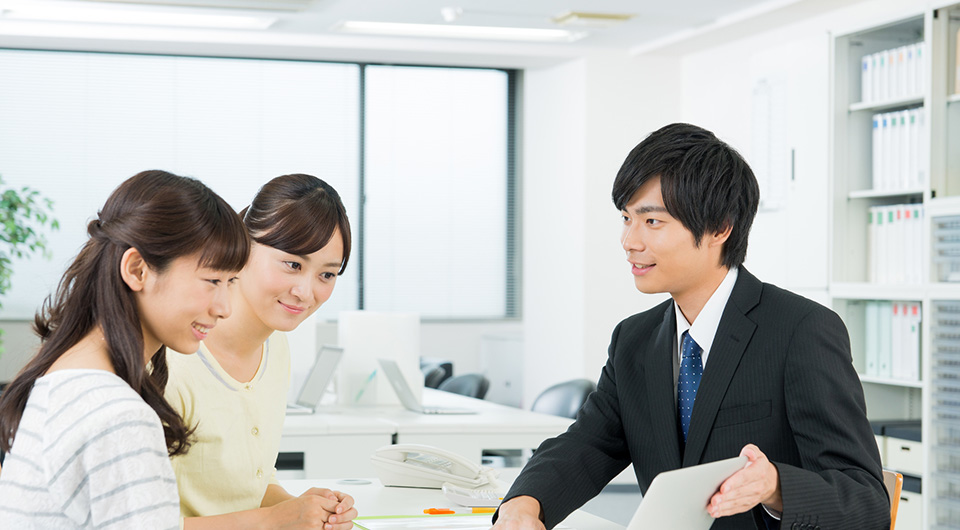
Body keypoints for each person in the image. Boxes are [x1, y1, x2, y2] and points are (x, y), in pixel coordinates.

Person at [492, 123, 889, 530]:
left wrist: (775, 487)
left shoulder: (800, 330)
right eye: (626, 218)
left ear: (720, 228)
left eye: (652, 221)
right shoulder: (634, 339)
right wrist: (524, 503)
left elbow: (866, 500)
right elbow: (587, 444)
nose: (629, 241)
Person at [0, 170, 250, 528]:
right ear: (137, 270)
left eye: (231, 281)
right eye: (212, 280)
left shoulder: (63, 375)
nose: (225, 307)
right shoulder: (117, 414)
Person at [164, 174, 357, 530]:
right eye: (293, 265)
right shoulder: (172, 358)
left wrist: (308, 510)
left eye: (327, 275)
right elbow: (137, 521)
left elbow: (254, 484)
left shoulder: (276, 347)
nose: (306, 292)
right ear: (245, 246)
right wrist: (274, 519)